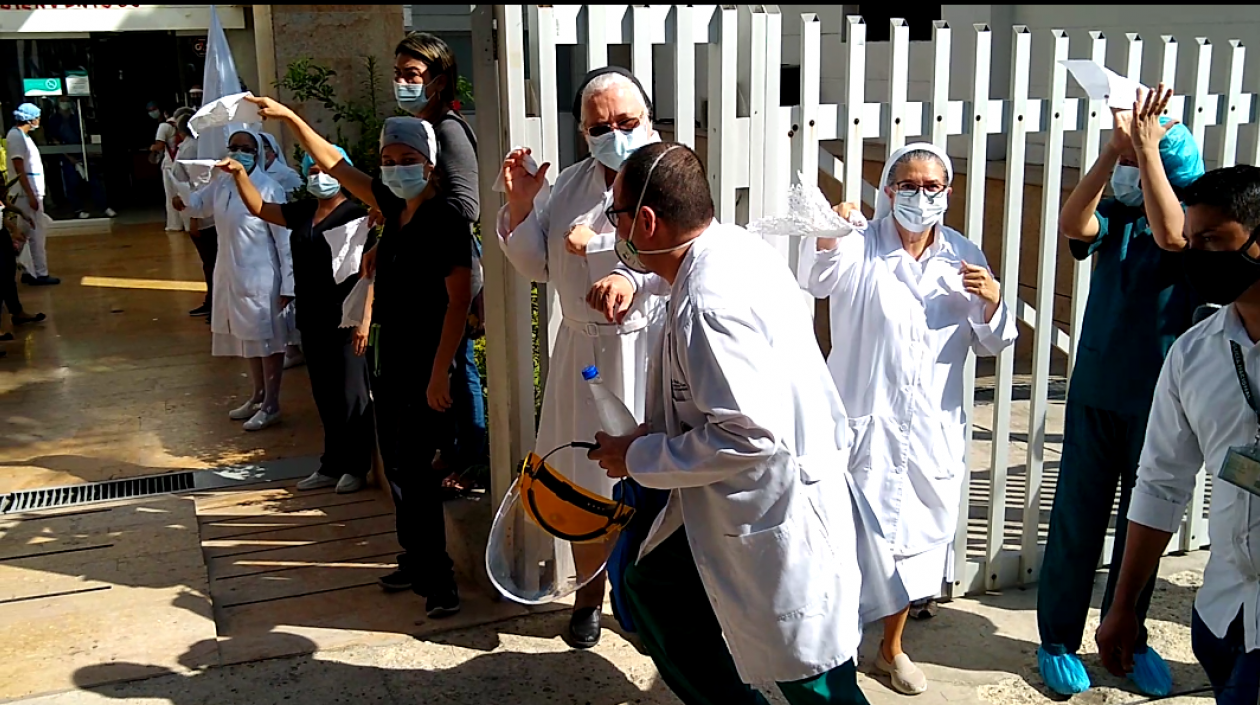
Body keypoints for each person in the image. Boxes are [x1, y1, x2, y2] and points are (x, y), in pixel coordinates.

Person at [586, 142, 870, 705]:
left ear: (647, 221)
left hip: (768, 505)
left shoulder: (709, 304)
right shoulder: (731, 247)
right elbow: (672, 285)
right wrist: (634, 282)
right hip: (723, 501)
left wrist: (635, 456)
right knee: (654, 588)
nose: (614, 228)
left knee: (812, 675)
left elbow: (750, 435)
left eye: (616, 214)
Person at [795, 142, 1018, 695]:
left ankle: (890, 649)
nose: (920, 196)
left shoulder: (963, 256)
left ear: (948, 193)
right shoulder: (861, 242)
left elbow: (993, 342)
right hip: (861, 422)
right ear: (889, 191)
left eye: (931, 187)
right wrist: (830, 231)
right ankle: (837, 652)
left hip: (929, 429)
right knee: (843, 542)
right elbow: (817, 278)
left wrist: (993, 301)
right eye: (909, 185)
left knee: (910, 545)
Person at [248, 94, 474, 619]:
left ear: (430, 164)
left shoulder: (445, 219)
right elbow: (335, 164)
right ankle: (414, 559)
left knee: (415, 470)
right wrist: (290, 119)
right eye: (388, 161)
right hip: (391, 359)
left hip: (427, 364)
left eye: (407, 160)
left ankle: (440, 579)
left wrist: (440, 374)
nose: (396, 169)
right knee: (395, 465)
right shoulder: (394, 210)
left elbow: (459, 302)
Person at [1037, 85, 1205, 697]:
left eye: (1142, 159)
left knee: (1144, 524)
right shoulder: (1119, 216)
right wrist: (1112, 153)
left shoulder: (1197, 222)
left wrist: (1150, 149)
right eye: (1131, 161)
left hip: (1162, 403)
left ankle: (1128, 635)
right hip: (1097, 392)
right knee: (1076, 520)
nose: (1133, 169)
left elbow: (1172, 236)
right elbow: (1073, 223)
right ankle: (1057, 640)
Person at [496, 66, 666, 649]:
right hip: (582, 351)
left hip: (650, 348)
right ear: (583, 133)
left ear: (650, 120)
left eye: (627, 122)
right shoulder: (569, 185)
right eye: (600, 127)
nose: (614, 134)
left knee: (656, 478)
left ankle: (647, 600)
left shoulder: (669, 175)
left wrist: (623, 270)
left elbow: (686, 252)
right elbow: (539, 265)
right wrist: (522, 207)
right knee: (584, 478)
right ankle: (589, 594)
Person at [1095, 163, 1260, 705]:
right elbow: (1161, 484)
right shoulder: (1193, 354)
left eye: (1213, 240)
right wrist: (1123, 605)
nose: (1197, 255)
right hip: (1222, 615)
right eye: (1191, 240)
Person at [221, 143, 376, 496]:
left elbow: (370, 273)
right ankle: (332, 464)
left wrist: (365, 320)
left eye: (326, 170)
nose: (320, 177)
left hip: (346, 319)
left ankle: (356, 466)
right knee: (324, 393)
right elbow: (260, 208)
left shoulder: (358, 215)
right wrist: (241, 174)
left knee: (351, 394)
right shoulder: (305, 211)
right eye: (313, 171)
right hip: (312, 316)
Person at [382, 30, 484, 490]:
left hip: (450, 263)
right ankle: (452, 449)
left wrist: (421, 209)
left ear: (439, 80)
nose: (402, 83)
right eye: (398, 73)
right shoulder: (419, 128)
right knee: (444, 367)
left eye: (412, 74)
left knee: (458, 366)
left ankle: (472, 459)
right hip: (428, 262)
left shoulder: (447, 130)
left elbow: (467, 205)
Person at [172, 129, 293, 432]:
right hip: (231, 271)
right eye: (234, 147)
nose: (239, 153)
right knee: (248, 338)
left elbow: (284, 241)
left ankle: (272, 404)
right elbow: (199, 205)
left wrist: (289, 284)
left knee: (268, 340)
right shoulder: (223, 183)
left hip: (262, 275)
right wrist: (182, 195)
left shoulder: (269, 189)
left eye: (246, 148)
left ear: (259, 152)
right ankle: (258, 395)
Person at [258, 131, 307, 369]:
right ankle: (290, 347)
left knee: (290, 297)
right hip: (267, 243)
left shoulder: (287, 176)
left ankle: (296, 348)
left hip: (287, 238)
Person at [170, 112, 217, 319]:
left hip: (202, 216)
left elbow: (195, 185)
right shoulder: (197, 146)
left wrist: (194, 220)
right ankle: (213, 302)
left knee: (211, 262)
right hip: (200, 212)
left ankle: (214, 304)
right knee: (211, 262)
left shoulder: (191, 149)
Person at [6, 103, 59, 286]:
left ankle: (27, 269)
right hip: (26, 194)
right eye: (37, 117)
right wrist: (30, 195)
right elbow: (19, 167)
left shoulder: (23, 136)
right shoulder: (16, 137)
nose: (39, 120)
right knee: (36, 234)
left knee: (25, 233)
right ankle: (40, 273)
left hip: (30, 193)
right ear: (29, 118)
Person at [46, 98, 116, 220]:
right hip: (67, 157)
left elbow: (84, 135)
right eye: (62, 101)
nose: (65, 103)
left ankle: (104, 207)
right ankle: (78, 210)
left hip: (82, 153)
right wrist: (68, 156)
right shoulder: (54, 120)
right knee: (72, 184)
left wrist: (88, 151)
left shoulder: (76, 118)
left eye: (67, 100)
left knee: (94, 181)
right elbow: (55, 140)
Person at [149, 101, 183, 232]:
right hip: (183, 163)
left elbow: (160, 145)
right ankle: (187, 223)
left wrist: (152, 148)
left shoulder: (164, 126)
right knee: (184, 194)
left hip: (170, 165)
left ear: (165, 113)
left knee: (171, 196)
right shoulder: (183, 124)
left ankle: (175, 224)